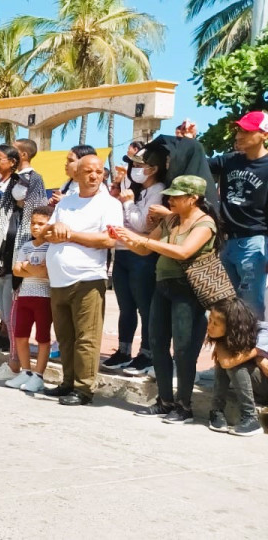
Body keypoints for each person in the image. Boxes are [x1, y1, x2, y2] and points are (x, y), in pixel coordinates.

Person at [117, 175, 217, 422]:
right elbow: (145, 248)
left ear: (193, 198)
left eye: (176, 196)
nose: (170, 199)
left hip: (188, 290)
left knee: (184, 349)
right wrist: (127, 238)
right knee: (158, 343)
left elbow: (183, 252)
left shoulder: (205, 224)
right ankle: (164, 401)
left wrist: (144, 240)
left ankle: (184, 406)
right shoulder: (171, 219)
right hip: (163, 286)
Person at [44, 154, 122, 406]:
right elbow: (49, 231)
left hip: (88, 278)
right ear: (75, 174)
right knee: (65, 336)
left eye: (99, 172)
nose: (93, 176)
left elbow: (108, 240)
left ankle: (84, 388)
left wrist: (72, 234)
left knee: (87, 337)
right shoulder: (66, 203)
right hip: (58, 279)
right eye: (88, 171)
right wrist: (57, 233)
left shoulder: (109, 204)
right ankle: (67, 382)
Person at [0, 144, 48, 367]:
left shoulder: (34, 179)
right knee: (5, 307)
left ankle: (15, 362)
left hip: (20, 257)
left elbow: (34, 210)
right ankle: (12, 361)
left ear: (21, 157)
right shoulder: (15, 183)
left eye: (2, 157)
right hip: (2, 257)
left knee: (15, 312)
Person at [102, 147, 167, 374]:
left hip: (140, 255)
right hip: (121, 251)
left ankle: (147, 354)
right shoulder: (136, 190)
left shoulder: (158, 190)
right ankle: (123, 350)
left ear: (154, 168)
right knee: (125, 306)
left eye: (140, 165)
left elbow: (142, 225)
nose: (135, 169)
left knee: (144, 306)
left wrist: (128, 203)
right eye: (134, 165)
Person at [204, 112, 268, 319]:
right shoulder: (230, 160)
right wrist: (187, 141)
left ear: (264, 134)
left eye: (247, 130)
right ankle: (233, 348)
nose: (239, 135)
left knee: (250, 304)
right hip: (226, 242)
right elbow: (199, 164)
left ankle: (255, 349)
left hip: (254, 243)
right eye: (239, 129)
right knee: (225, 303)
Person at [4, 205, 55, 392]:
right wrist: (32, 269)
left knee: (42, 337)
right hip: (24, 296)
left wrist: (26, 266)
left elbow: (45, 272)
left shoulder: (51, 247)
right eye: (33, 223)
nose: (35, 227)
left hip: (44, 297)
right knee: (20, 335)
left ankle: (38, 375)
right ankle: (25, 371)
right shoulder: (26, 245)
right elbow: (16, 270)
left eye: (41, 224)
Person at [204, 297, 263, 436]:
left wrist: (259, 354)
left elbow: (228, 363)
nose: (209, 326)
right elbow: (224, 362)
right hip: (257, 387)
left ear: (231, 326)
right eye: (210, 320)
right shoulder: (227, 337)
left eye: (215, 323)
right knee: (226, 361)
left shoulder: (261, 334)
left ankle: (250, 418)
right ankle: (216, 412)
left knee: (235, 364)